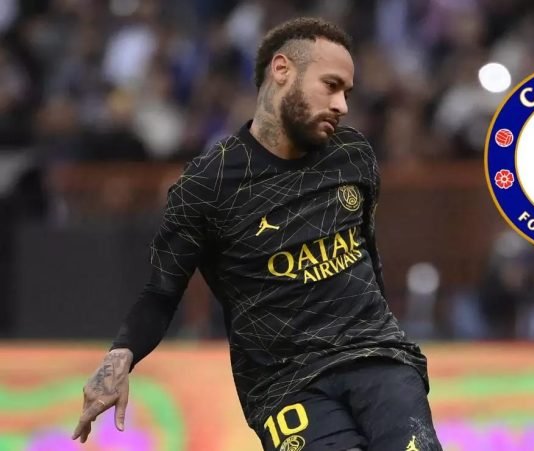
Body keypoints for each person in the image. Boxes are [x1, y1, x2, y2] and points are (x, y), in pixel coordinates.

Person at [71, 17, 442, 451]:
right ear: (282, 70)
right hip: (287, 385)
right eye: (331, 86)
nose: (341, 104)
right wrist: (119, 358)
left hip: (376, 357)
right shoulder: (206, 186)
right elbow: (161, 293)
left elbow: (368, 260)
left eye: (347, 92)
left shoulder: (353, 155)